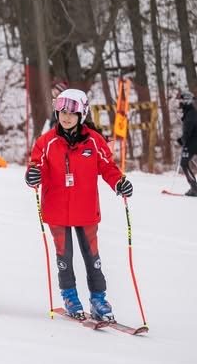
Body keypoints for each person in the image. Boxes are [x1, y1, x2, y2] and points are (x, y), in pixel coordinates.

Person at [25, 88, 133, 322]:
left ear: (82, 115)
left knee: (92, 258)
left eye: (72, 113)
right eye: (62, 111)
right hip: (57, 210)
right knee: (64, 257)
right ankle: (70, 296)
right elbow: (37, 166)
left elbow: (108, 168)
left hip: (86, 210)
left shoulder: (94, 141)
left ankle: (98, 299)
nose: (65, 117)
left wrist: (119, 182)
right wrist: (33, 175)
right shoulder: (47, 141)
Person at [176, 90, 197, 196]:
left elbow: (188, 130)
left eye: (182, 100)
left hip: (192, 143)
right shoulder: (189, 112)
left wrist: (183, 140)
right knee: (185, 163)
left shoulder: (190, 113)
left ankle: (194, 187)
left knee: (184, 163)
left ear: (187, 101)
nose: (180, 102)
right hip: (192, 142)